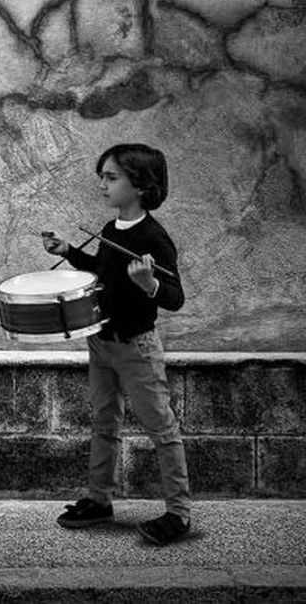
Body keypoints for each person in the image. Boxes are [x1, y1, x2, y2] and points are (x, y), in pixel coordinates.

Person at [43, 143, 191, 546]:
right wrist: (69, 252)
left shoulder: (154, 238)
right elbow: (101, 267)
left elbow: (175, 297)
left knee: (162, 428)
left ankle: (178, 514)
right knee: (104, 422)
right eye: (102, 177)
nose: (102, 185)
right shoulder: (111, 230)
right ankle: (99, 499)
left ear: (140, 185)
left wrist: (151, 284)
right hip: (102, 343)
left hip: (137, 347)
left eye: (111, 178)